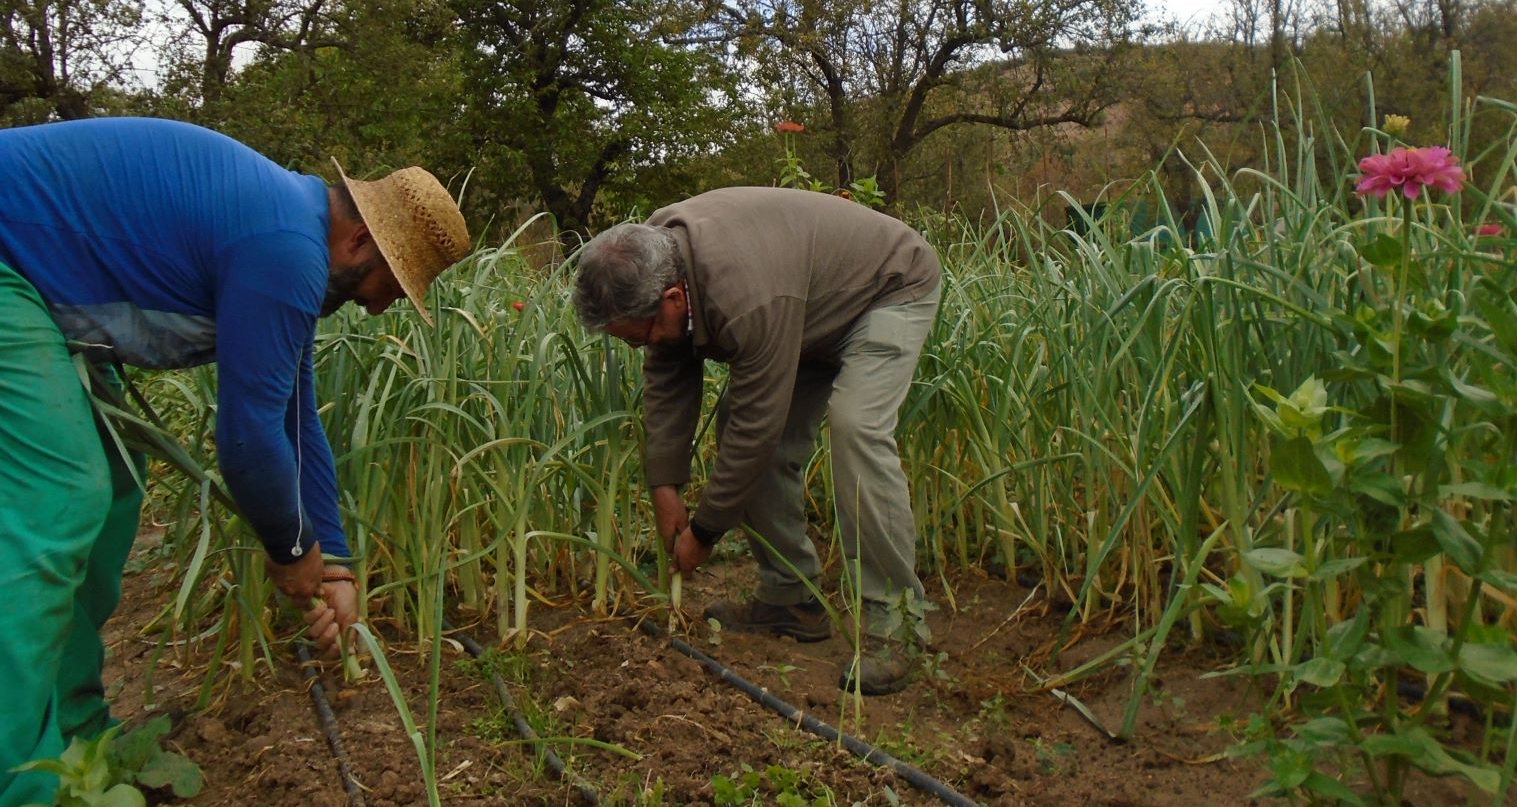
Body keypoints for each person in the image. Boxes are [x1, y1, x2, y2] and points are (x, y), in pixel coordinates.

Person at [0, 117, 471, 806]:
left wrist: (332, 557)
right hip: (11, 264)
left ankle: (78, 735)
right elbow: (248, 436)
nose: (376, 310)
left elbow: (295, 418)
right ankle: (21, 782)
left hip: (37, 287)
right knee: (61, 498)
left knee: (118, 493)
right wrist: (290, 549)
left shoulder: (291, 236)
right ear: (360, 240)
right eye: (390, 286)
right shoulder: (284, 248)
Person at [571, 186, 941, 695]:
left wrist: (703, 533)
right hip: (807, 307)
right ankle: (792, 598)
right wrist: (665, 485)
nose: (642, 346)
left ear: (674, 299)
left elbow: (756, 430)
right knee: (741, 430)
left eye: (639, 335)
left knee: (856, 427)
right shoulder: (656, 251)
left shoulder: (742, 295)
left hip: (886, 286)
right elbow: (668, 372)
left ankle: (896, 623)